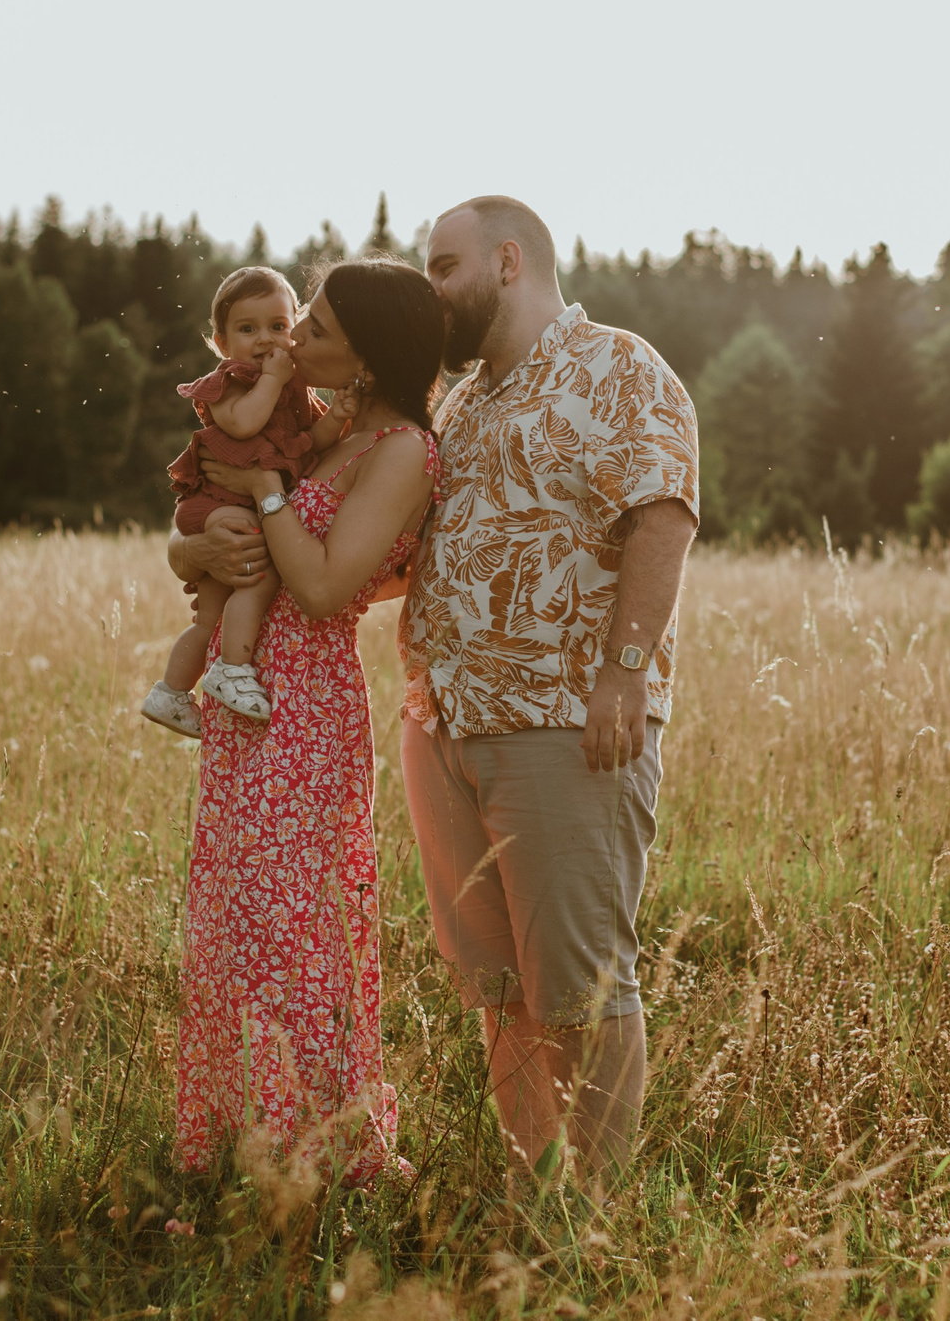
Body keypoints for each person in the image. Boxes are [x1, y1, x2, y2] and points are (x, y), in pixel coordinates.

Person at [396, 196, 700, 1196]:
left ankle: (597, 1215)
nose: (429, 287)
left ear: (509, 259)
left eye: (443, 265)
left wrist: (622, 669)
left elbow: (661, 515)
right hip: (446, 723)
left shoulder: (617, 367)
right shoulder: (459, 398)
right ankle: (537, 1191)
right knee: (501, 986)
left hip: (565, 724)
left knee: (581, 981)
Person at [163, 257, 444, 1183]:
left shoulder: (401, 448)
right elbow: (199, 536)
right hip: (248, 696)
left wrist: (267, 495)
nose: (292, 340)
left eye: (312, 328)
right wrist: (197, 542)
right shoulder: (321, 429)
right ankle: (237, 1137)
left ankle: (315, 1145)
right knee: (238, 917)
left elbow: (323, 588)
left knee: (300, 927)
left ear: (366, 352)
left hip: (306, 707)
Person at [144, 267, 356, 736]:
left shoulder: (293, 389)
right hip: (214, 504)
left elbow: (308, 444)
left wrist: (336, 417)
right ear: (221, 342)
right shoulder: (232, 381)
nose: (265, 340)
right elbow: (242, 425)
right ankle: (232, 668)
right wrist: (273, 381)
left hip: (239, 503)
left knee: (209, 616)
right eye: (247, 329)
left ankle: (172, 692)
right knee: (260, 574)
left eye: (278, 327)